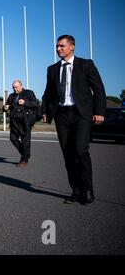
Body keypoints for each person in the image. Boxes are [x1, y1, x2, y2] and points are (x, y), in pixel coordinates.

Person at [42, 35, 106, 205]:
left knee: (80, 151)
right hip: (61, 116)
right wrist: (45, 111)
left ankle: (88, 189)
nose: (58, 49)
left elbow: (98, 89)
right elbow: (48, 92)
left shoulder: (86, 65)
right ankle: (76, 190)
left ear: (72, 47)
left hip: (81, 115)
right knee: (68, 155)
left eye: (61, 46)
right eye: (56, 46)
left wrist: (99, 112)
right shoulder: (52, 69)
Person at [3, 80, 39, 168]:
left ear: (21, 86)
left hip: (25, 121)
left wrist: (25, 102)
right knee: (12, 138)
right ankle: (25, 153)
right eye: (13, 87)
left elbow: (36, 104)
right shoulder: (11, 96)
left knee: (25, 141)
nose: (15, 89)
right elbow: (7, 106)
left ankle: (24, 160)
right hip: (14, 122)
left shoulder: (29, 93)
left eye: (16, 87)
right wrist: (5, 107)